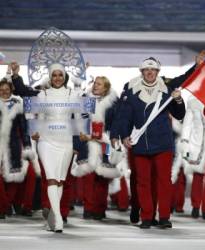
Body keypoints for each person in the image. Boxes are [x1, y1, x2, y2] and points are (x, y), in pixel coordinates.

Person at [112, 56, 201, 229]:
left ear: (158, 72)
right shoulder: (131, 90)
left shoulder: (167, 89)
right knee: (143, 182)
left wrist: (178, 99)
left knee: (163, 181)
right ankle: (146, 217)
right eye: (146, 69)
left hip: (163, 143)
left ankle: (165, 217)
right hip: (141, 144)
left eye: (153, 69)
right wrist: (122, 136)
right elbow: (124, 116)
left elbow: (180, 114)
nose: (150, 72)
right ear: (142, 72)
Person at [31, 63, 76, 233]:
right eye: (54, 75)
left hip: (66, 140)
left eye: (60, 75)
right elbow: (39, 118)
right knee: (51, 179)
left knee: (59, 181)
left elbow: (81, 118)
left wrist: (81, 141)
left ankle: (53, 217)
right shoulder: (42, 94)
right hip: (46, 140)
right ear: (50, 77)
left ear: (64, 76)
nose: (57, 78)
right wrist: (35, 132)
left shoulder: (73, 94)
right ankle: (58, 219)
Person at [71, 76, 121, 220]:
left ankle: (100, 209)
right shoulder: (85, 101)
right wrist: (77, 144)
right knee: (89, 177)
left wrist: (111, 139)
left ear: (106, 87)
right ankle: (88, 209)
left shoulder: (114, 104)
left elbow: (117, 124)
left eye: (99, 84)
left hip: (106, 144)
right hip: (88, 143)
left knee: (103, 177)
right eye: (94, 83)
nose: (95, 86)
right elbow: (78, 124)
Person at [0, 78, 34, 216]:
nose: (4, 92)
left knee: (16, 175)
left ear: (11, 90)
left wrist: (27, 147)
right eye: (1, 90)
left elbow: (24, 128)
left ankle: (7, 205)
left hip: (14, 144)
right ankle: (3, 207)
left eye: (6, 89)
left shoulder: (18, 103)